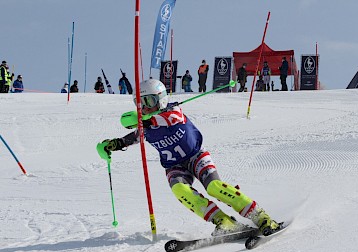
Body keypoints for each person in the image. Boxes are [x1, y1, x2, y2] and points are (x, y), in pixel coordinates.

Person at [96, 79, 282, 236]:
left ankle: (261, 216)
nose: (145, 107)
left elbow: (170, 119)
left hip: (196, 156)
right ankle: (224, 222)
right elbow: (133, 137)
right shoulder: (146, 126)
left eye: (150, 101)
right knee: (180, 190)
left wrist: (147, 120)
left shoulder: (173, 112)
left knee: (214, 187)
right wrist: (115, 144)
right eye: (140, 103)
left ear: (161, 99)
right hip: (174, 165)